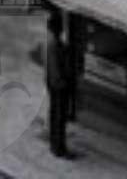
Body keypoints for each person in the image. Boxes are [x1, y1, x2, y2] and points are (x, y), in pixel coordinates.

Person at [45, 11, 75, 157]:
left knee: (56, 116)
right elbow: (55, 69)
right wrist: (62, 83)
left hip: (55, 86)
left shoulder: (55, 45)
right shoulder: (55, 46)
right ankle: (58, 147)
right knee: (59, 117)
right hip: (58, 87)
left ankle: (55, 144)